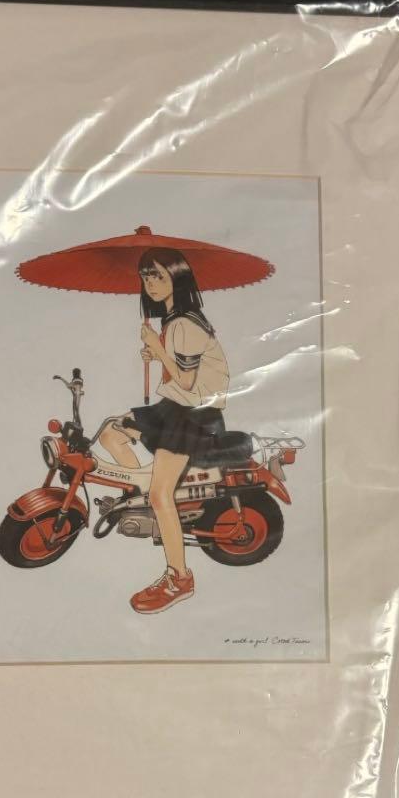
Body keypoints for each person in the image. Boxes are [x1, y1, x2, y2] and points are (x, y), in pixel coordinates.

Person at [98, 247, 230, 614]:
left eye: (157, 275)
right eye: (145, 276)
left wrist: (157, 349)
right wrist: (156, 353)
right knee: (111, 432)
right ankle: (142, 498)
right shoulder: (173, 320)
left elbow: (187, 382)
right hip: (174, 406)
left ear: (177, 276)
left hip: (195, 414)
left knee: (161, 494)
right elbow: (179, 376)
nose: (150, 283)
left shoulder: (186, 324)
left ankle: (180, 578)